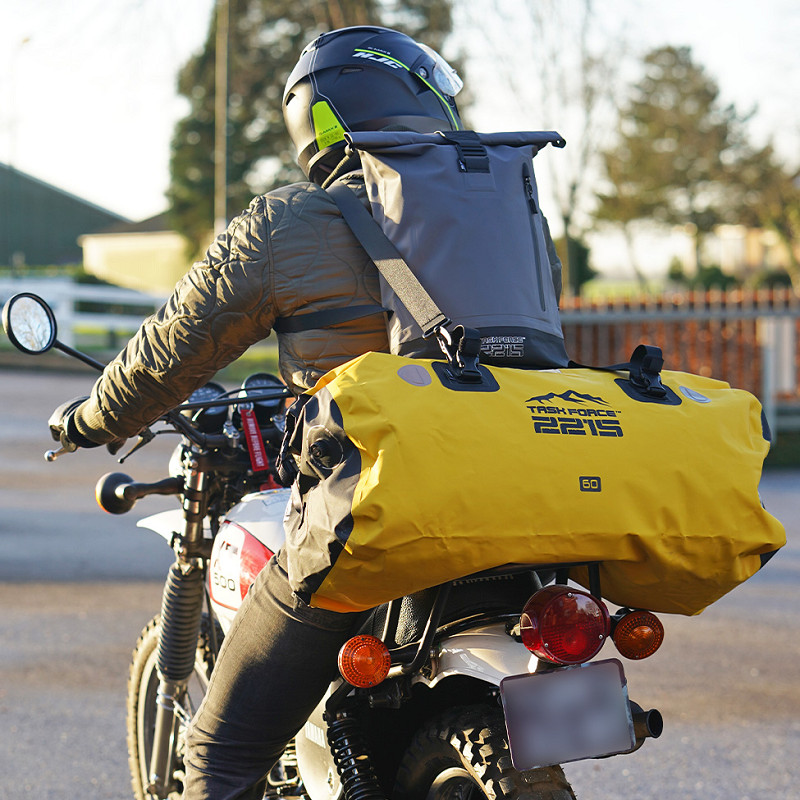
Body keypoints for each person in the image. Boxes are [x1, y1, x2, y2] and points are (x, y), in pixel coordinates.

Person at [48, 26, 564, 799]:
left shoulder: (289, 223)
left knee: (218, 751)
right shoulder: (515, 218)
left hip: (376, 512)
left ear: (318, 119)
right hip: (525, 505)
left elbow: (168, 353)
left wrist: (88, 420)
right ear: (428, 105)